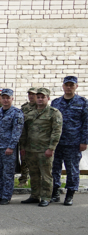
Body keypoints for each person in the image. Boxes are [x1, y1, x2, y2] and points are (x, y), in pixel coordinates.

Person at [20, 88, 63, 207]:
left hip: (45, 150)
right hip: (30, 149)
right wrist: (22, 146)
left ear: (48, 98)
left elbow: (56, 131)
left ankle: (45, 197)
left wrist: (51, 148)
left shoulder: (54, 113)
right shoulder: (30, 113)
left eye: (42, 97)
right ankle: (35, 196)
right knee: (33, 174)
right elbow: (24, 131)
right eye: (38, 97)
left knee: (46, 175)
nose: (40, 99)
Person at [50, 75, 87, 206]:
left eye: (72, 85)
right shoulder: (55, 103)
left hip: (73, 142)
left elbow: (86, 123)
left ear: (76, 86)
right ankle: (54, 192)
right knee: (54, 168)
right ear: (63, 86)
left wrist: (84, 141)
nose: (69, 87)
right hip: (57, 142)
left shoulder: (83, 102)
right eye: (67, 85)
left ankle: (70, 194)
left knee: (72, 169)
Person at [0, 88, 24, 205]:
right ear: (0, 99)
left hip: (8, 149)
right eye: (3, 97)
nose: (5, 100)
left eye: (8, 97)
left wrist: (11, 147)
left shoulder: (17, 113)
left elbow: (17, 132)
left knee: (7, 173)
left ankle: (6, 196)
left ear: (12, 98)